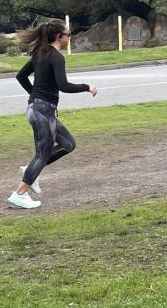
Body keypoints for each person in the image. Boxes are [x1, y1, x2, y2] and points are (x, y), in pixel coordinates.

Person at [7, 21, 98, 209]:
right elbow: (63, 86)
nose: (69, 36)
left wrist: (34, 95)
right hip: (41, 111)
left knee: (68, 144)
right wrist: (87, 87)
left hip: (40, 110)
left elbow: (20, 76)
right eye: (68, 34)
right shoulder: (56, 57)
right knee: (43, 153)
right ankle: (19, 194)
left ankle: (29, 170)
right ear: (59, 37)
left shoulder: (41, 53)